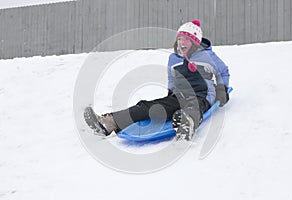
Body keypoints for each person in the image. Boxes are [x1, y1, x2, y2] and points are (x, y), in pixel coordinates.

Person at [84, 19, 230, 141]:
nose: (182, 43)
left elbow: (223, 72)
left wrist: (221, 89)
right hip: (178, 97)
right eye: (179, 39)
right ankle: (110, 122)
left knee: (193, 107)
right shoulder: (174, 59)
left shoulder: (207, 56)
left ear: (195, 42)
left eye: (186, 39)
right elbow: (172, 78)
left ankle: (186, 124)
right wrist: (170, 93)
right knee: (146, 106)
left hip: (200, 96)